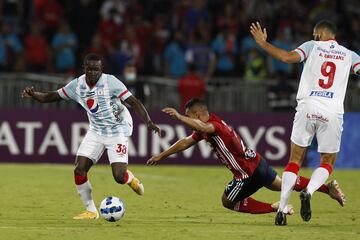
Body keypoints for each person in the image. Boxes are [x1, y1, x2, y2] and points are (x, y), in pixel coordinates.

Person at [147, 98, 345, 217]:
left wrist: (179, 117)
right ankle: (329, 189)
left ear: (198, 114)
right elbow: (185, 142)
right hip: (256, 162)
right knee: (284, 184)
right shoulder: (207, 126)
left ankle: (275, 208)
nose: (187, 119)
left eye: (189, 115)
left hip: (246, 174)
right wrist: (162, 155)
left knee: (227, 201)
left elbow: (203, 128)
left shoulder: (214, 126)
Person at [22, 53, 161, 220]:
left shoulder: (111, 82)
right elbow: (52, 96)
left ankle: (129, 178)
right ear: (84, 69)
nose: (93, 72)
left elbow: (134, 102)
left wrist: (149, 122)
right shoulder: (77, 85)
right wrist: (34, 95)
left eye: (96, 69)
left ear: (101, 69)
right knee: (79, 169)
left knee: (118, 177)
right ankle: (91, 211)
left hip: (118, 130)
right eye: (90, 69)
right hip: (96, 131)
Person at [250, 20, 359, 225]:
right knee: (327, 162)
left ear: (319, 33)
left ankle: (281, 211)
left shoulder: (311, 46)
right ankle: (309, 192)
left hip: (307, 106)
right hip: (332, 111)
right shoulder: (349, 55)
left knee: (294, 161)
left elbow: (285, 57)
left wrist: (263, 44)